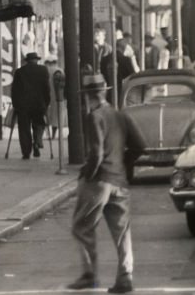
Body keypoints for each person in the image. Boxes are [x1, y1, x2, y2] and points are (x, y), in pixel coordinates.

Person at [68, 74, 146, 293]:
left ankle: (89, 275)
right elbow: (140, 145)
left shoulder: (94, 117)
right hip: (119, 180)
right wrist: (123, 163)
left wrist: (88, 174)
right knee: (122, 231)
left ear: (88, 97)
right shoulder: (120, 115)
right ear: (105, 92)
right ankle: (125, 276)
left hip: (99, 181)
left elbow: (96, 153)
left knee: (81, 227)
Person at [11, 51, 51, 159]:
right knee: (39, 124)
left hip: (23, 105)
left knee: (24, 128)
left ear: (27, 61)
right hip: (39, 104)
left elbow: (14, 90)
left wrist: (15, 104)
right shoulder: (43, 70)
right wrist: (47, 102)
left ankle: (26, 152)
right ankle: (37, 141)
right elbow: (47, 88)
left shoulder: (20, 72)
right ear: (36, 60)